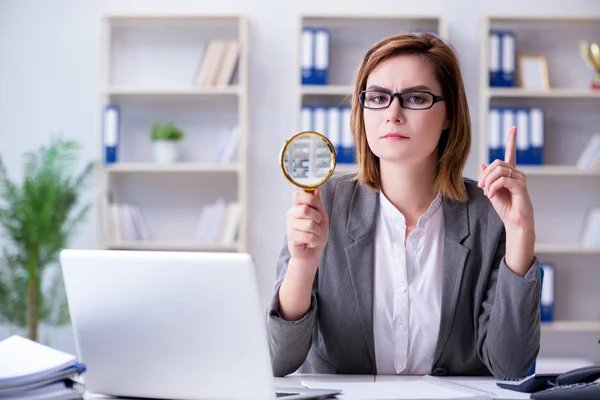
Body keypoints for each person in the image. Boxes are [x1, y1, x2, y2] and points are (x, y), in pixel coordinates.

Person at [266, 32, 541, 379]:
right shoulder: (327, 202)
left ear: (449, 116)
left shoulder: (489, 213)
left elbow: (512, 366)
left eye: (415, 98)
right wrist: (303, 266)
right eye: (378, 97)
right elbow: (279, 360)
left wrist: (520, 235)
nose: (393, 113)